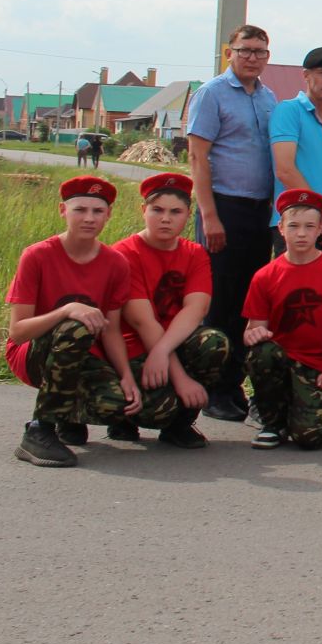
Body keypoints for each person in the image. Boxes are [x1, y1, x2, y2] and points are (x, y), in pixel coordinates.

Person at [5, 176, 142, 468]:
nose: (89, 218)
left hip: (82, 355)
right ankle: (40, 429)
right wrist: (66, 310)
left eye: (97, 211)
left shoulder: (116, 263)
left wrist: (126, 375)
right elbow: (17, 332)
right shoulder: (37, 255)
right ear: (63, 211)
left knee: (116, 406)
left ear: (109, 215)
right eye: (80, 210)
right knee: (75, 327)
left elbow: (112, 329)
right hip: (33, 353)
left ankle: (68, 416)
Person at [187, 23, 278, 421]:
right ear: (230, 52)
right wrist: (209, 216)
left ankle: (232, 384)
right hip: (222, 208)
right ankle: (210, 389)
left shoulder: (270, 97)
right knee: (219, 301)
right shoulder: (212, 94)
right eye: (245, 50)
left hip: (259, 211)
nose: (252, 58)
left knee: (248, 302)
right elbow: (197, 157)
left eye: (260, 51)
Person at [111, 173, 230, 449]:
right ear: (144, 211)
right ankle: (122, 418)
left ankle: (180, 425)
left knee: (214, 343)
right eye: (157, 210)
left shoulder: (195, 253)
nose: (166, 218)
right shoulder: (124, 254)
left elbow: (195, 308)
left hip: (169, 342)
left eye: (175, 212)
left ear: (188, 215)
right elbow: (141, 321)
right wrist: (180, 377)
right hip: (135, 347)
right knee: (158, 410)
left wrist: (164, 352)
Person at [242, 189, 322, 451]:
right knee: (261, 352)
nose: (301, 234)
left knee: (310, 436)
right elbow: (253, 328)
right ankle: (272, 422)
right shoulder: (265, 276)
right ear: (281, 228)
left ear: (319, 231)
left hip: (318, 366)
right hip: (281, 362)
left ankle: (314, 406)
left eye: (309, 227)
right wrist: (252, 335)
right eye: (293, 226)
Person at [270, 46, 322, 256]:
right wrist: (321, 211)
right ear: (306, 75)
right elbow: (285, 170)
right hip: (296, 225)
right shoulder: (289, 111)